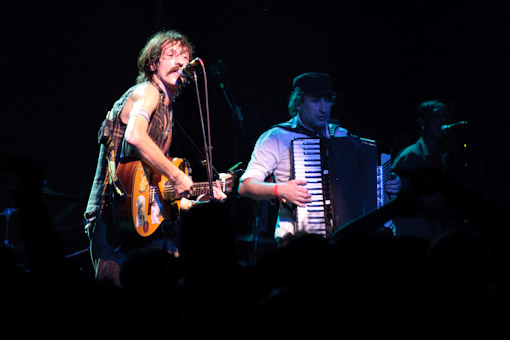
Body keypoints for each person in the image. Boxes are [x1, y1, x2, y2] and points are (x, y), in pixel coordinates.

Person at [84, 29, 226, 286]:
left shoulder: (167, 110)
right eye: (170, 55)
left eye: (184, 56)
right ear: (152, 64)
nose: (181, 62)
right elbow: (135, 136)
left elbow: (157, 187)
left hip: (141, 218)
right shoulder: (147, 91)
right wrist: (176, 174)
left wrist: (197, 197)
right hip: (113, 215)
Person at [238, 72, 401, 241]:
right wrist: (280, 189)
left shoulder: (341, 135)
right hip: (296, 243)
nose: (323, 108)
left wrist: (387, 182)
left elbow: (366, 181)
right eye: (315, 101)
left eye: (327, 100)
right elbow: (245, 186)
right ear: (298, 103)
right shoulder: (276, 137)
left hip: (344, 242)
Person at [391, 99, 463, 242]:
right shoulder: (411, 156)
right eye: (437, 115)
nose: (443, 120)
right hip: (411, 239)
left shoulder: (440, 159)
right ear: (422, 122)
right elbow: (394, 199)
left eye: (445, 116)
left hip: (431, 237)